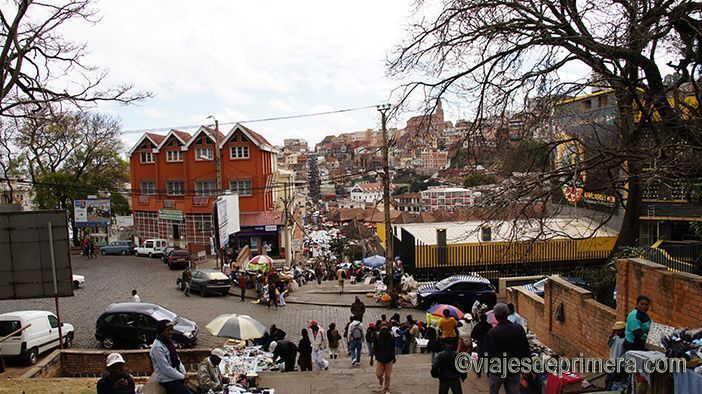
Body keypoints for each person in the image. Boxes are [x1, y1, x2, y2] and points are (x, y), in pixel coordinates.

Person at [482, 303, 530, 394]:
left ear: (495, 316)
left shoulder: (492, 333)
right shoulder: (518, 329)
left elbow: (488, 354)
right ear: (507, 314)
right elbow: (525, 349)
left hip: (497, 370)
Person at [149, 320, 190, 394]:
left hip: (176, 375)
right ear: (162, 331)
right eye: (168, 330)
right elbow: (165, 368)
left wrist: (183, 373)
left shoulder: (169, 343)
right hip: (167, 379)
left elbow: (177, 360)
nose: (171, 332)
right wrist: (182, 376)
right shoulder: (157, 347)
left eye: (172, 329)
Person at [371, 322, 396, 394]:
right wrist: (371, 359)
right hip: (380, 358)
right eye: (383, 329)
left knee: (388, 375)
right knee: (378, 374)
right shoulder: (377, 336)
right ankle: (381, 380)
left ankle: (386, 388)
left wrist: (394, 357)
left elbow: (392, 347)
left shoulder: (391, 336)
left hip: (389, 358)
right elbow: (374, 347)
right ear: (380, 328)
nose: (384, 330)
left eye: (385, 329)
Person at [606, 321, 627, 390]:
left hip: (619, 365)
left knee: (615, 381)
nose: (617, 332)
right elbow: (609, 344)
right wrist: (612, 334)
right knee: (608, 380)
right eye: (616, 331)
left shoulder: (625, 340)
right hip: (612, 363)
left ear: (623, 330)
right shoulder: (614, 338)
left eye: (619, 330)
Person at [470, 313, 492, 378]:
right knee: (488, 359)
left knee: (480, 359)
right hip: (488, 345)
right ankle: (488, 373)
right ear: (486, 318)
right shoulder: (489, 326)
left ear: (480, 318)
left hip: (480, 344)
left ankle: (478, 373)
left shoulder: (477, 326)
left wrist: (477, 339)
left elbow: (472, 335)